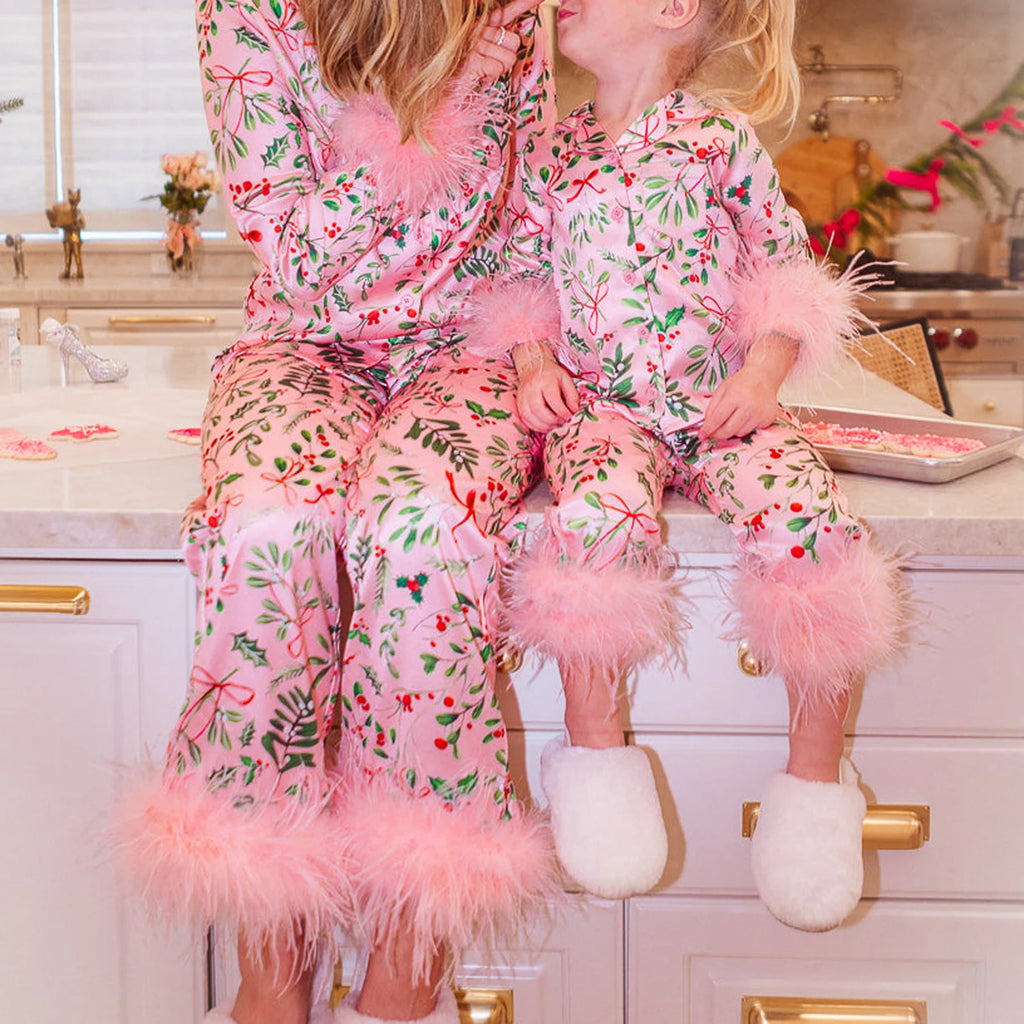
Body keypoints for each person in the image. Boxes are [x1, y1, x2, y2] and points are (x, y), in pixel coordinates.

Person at [117, 2, 562, 1024]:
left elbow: (531, 209)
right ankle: (275, 962)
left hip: (465, 353)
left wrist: (538, 345)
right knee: (268, 530)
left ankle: (404, 975)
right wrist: (445, 104)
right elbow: (292, 250)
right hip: (301, 344)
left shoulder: (508, 13)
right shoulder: (245, 13)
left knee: (425, 536)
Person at [465, 0, 905, 931]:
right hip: (603, 413)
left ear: (673, 10)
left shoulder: (718, 140)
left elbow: (788, 276)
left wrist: (761, 375)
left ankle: (816, 785)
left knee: (805, 522)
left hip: (718, 404)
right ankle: (596, 764)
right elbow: (520, 281)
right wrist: (534, 362)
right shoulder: (551, 149)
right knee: (594, 523)